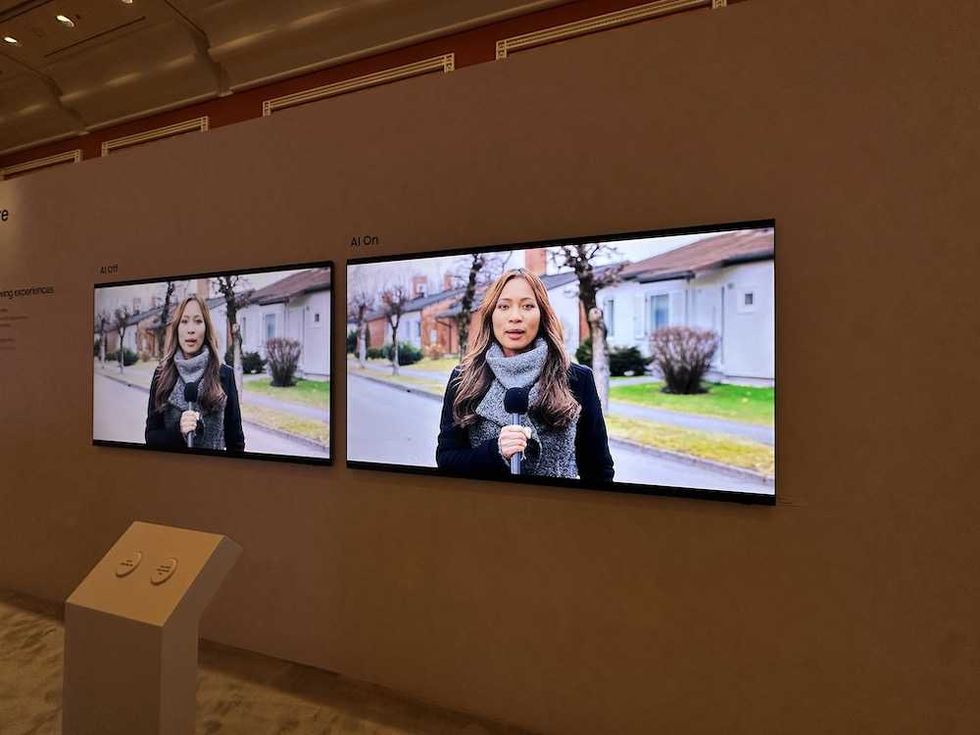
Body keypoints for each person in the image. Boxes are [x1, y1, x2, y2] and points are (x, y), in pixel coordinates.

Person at [436, 268, 614, 483]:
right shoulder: (464, 379)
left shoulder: (577, 379)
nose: (515, 317)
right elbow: (446, 460)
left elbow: (598, 469)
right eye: (504, 306)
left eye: (528, 306)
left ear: (542, 315)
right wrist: (495, 451)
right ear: (491, 314)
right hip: (485, 511)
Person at [145, 294, 245, 452]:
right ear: (177, 328)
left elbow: (236, 442)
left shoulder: (225, 375)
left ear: (206, 328)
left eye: (198, 321)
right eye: (184, 322)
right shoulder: (161, 375)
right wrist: (179, 431)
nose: (191, 329)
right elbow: (151, 437)